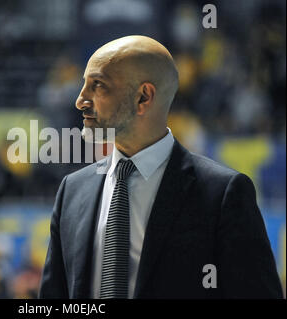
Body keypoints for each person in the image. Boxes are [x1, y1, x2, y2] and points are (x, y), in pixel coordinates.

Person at [38, 35, 283, 299]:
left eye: (98, 85)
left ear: (144, 96)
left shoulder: (223, 194)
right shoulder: (71, 191)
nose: (80, 100)